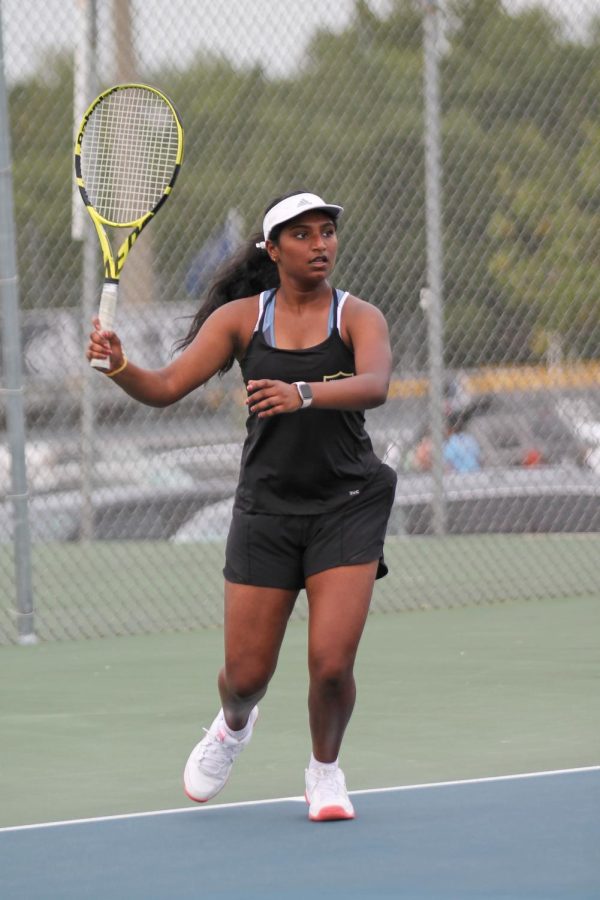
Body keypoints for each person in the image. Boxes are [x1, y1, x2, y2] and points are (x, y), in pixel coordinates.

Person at [86, 190, 397, 822]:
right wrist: (120, 366)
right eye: (303, 235)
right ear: (273, 248)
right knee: (245, 677)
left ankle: (325, 773)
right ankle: (232, 727)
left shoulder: (359, 317)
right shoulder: (239, 320)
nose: (320, 245)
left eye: (327, 233)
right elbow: (167, 387)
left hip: (349, 502)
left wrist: (303, 392)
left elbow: (376, 385)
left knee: (332, 664)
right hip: (267, 511)